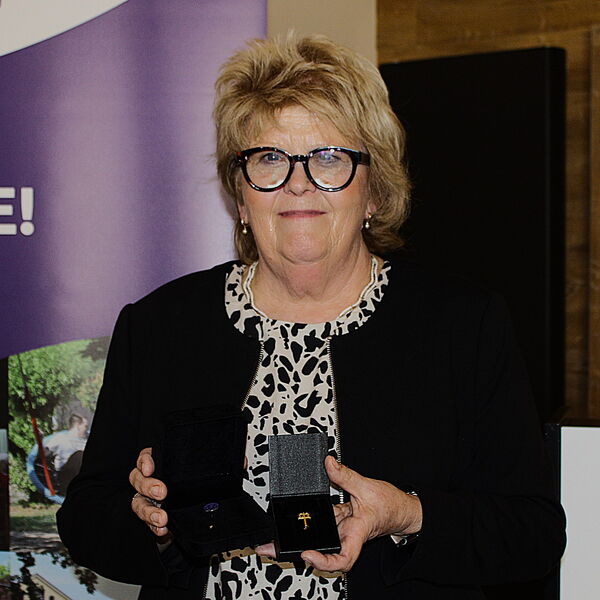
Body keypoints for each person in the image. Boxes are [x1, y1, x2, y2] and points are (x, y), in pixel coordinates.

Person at [57, 34, 566, 599]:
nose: (298, 183)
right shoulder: (160, 326)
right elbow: (86, 517)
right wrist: (154, 524)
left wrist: (407, 515)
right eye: (269, 158)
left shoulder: (462, 327)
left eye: (329, 158)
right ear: (241, 196)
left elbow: (533, 533)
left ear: (373, 193)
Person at [29, 413, 88, 500]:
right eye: (85, 426)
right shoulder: (61, 439)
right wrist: (40, 441)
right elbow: (44, 455)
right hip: (66, 477)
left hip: (84, 476)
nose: (86, 429)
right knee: (79, 455)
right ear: (77, 426)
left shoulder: (85, 440)